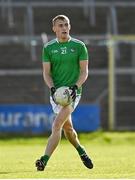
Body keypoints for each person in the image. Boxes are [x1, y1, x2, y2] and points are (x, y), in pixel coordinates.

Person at [35, 15, 93, 171]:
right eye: (60, 25)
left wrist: (75, 87)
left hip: (73, 93)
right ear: (54, 29)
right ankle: (82, 151)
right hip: (56, 95)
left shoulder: (79, 46)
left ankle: (43, 160)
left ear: (70, 27)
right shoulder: (48, 48)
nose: (64, 28)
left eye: (66, 25)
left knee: (56, 125)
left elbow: (84, 72)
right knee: (68, 130)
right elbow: (46, 73)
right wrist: (53, 89)